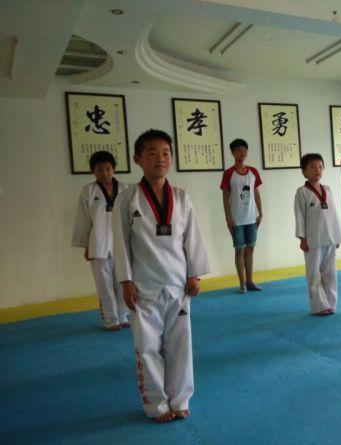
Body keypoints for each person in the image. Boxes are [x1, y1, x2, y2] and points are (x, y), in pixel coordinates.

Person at [113, 129, 210, 422]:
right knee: (148, 348)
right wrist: (125, 280)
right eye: (152, 153)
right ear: (138, 159)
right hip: (143, 287)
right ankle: (156, 404)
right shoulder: (128, 199)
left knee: (181, 346)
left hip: (177, 284)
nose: (160, 158)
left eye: (166, 153)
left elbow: (191, 237)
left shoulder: (181, 197)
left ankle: (180, 398)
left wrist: (195, 274)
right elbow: (120, 243)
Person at [72, 150, 129, 330]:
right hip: (98, 243)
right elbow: (83, 220)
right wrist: (86, 245)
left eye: (108, 169)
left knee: (123, 280)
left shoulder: (126, 190)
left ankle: (122, 315)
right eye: (99, 170)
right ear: (92, 171)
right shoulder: (88, 191)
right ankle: (110, 319)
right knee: (104, 284)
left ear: (114, 169)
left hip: (121, 243)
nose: (104, 173)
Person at [294, 153, 341, 315]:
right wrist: (302, 238)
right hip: (313, 239)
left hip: (329, 237)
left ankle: (330, 303)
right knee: (314, 273)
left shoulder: (327, 190)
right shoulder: (302, 192)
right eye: (313, 167)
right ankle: (318, 306)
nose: (317, 170)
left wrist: (337, 235)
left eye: (320, 167)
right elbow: (299, 216)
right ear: (304, 172)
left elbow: (334, 214)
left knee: (330, 273)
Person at [220, 138, 263, 293]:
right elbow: (225, 197)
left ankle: (250, 281)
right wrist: (228, 218)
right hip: (237, 219)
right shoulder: (228, 173)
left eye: (244, 149)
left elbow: (256, 192)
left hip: (252, 217)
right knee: (240, 250)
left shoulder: (253, 172)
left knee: (250, 249)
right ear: (232, 152)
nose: (242, 153)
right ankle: (242, 283)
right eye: (238, 150)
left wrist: (260, 213)